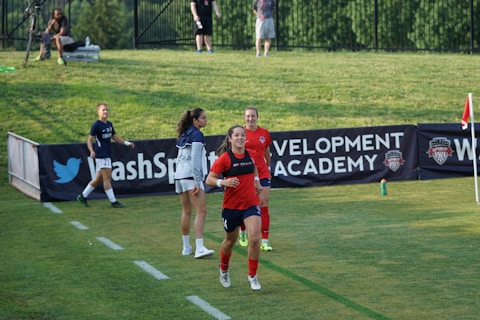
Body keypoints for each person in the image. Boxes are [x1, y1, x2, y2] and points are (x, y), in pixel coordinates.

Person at [206, 125, 263, 291]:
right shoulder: (225, 158)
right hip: (231, 207)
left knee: (253, 239)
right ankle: (223, 268)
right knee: (230, 241)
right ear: (230, 139)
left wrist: (257, 180)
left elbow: (254, 167)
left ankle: (253, 276)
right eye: (236, 135)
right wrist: (222, 182)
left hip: (251, 204)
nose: (240, 137)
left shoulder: (251, 154)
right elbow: (209, 179)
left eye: (242, 135)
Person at [174, 108, 215, 259]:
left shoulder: (184, 133)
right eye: (203, 118)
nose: (206, 120)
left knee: (186, 211)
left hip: (179, 176)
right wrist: (198, 181)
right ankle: (199, 248)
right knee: (201, 211)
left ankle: (186, 247)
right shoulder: (197, 135)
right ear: (195, 120)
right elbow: (195, 160)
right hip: (191, 177)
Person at [77, 103, 134, 208]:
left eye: (107, 110)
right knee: (107, 178)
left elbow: (115, 137)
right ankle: (113, 201)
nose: (106, 112)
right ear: (98, 112)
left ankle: (83, 196)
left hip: (107, 153)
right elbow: (89, 140)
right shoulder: (96, 125)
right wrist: (91, 151)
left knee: (98, 179)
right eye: (103, 110)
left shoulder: (109, 124)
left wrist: (127, 143)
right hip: (101, 154)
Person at [238, 106, 273, 251]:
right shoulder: (240, 133)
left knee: (263, 204)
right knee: (246, 205)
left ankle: (265, 240)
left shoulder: (264, 133)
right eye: (248, 116)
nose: (250, 119)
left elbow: (267, 153)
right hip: (247, 174)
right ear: (244, 118)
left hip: (263, 173)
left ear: (257, 117)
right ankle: (243, 231)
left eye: (253, 116)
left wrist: (266, 168)